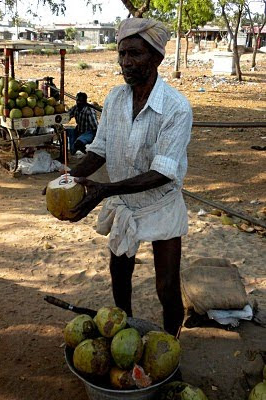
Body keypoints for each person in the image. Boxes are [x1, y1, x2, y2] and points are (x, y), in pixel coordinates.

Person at [57, 18, 192, 337]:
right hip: (123, 201)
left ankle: (171, 343)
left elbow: (163, 172)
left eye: (135, 54)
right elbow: (100, 148)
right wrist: (68, 179)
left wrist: (104, 190)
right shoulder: (115, 99)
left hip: (160, 203)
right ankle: (124, 329)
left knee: (168, 287)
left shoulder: (176, 109)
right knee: (119, 271)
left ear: (157, 58)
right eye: (121, 54)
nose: (125, 62)